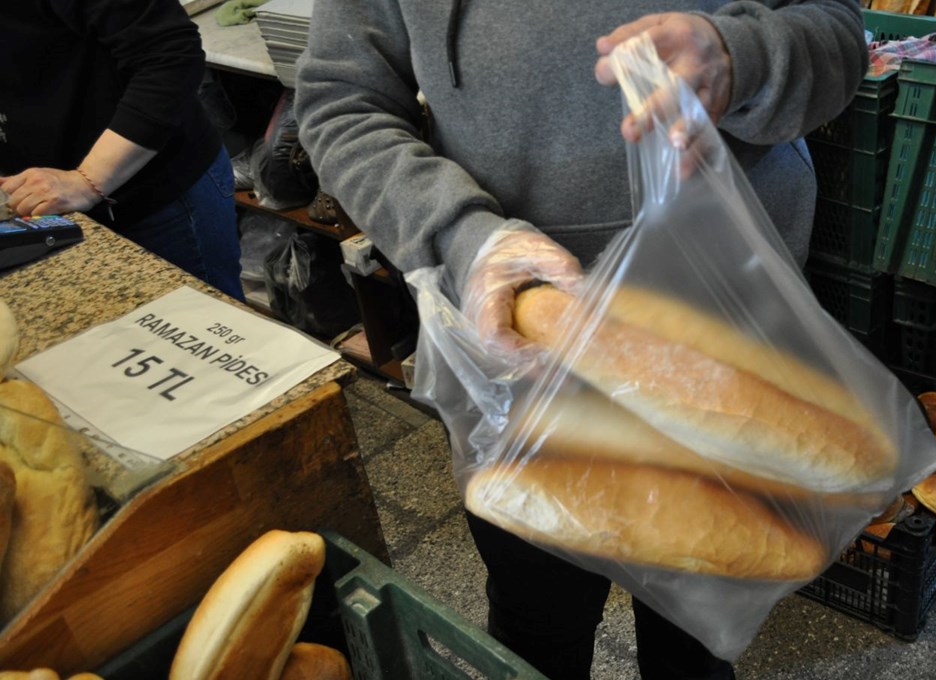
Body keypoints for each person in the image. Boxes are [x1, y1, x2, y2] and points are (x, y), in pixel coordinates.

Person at [296, 2, 867, 678]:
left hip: (725, 342)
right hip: (516, 347)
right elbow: (342, 100)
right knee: (537, 622)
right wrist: (459, 235)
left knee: (701, 628)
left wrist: (745, 58)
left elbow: (836, 32)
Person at [0, 0, 243, 300]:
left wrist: (86, 181)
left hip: (151, 194)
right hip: (41, 200)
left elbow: (170, 57)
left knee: (201, 330)